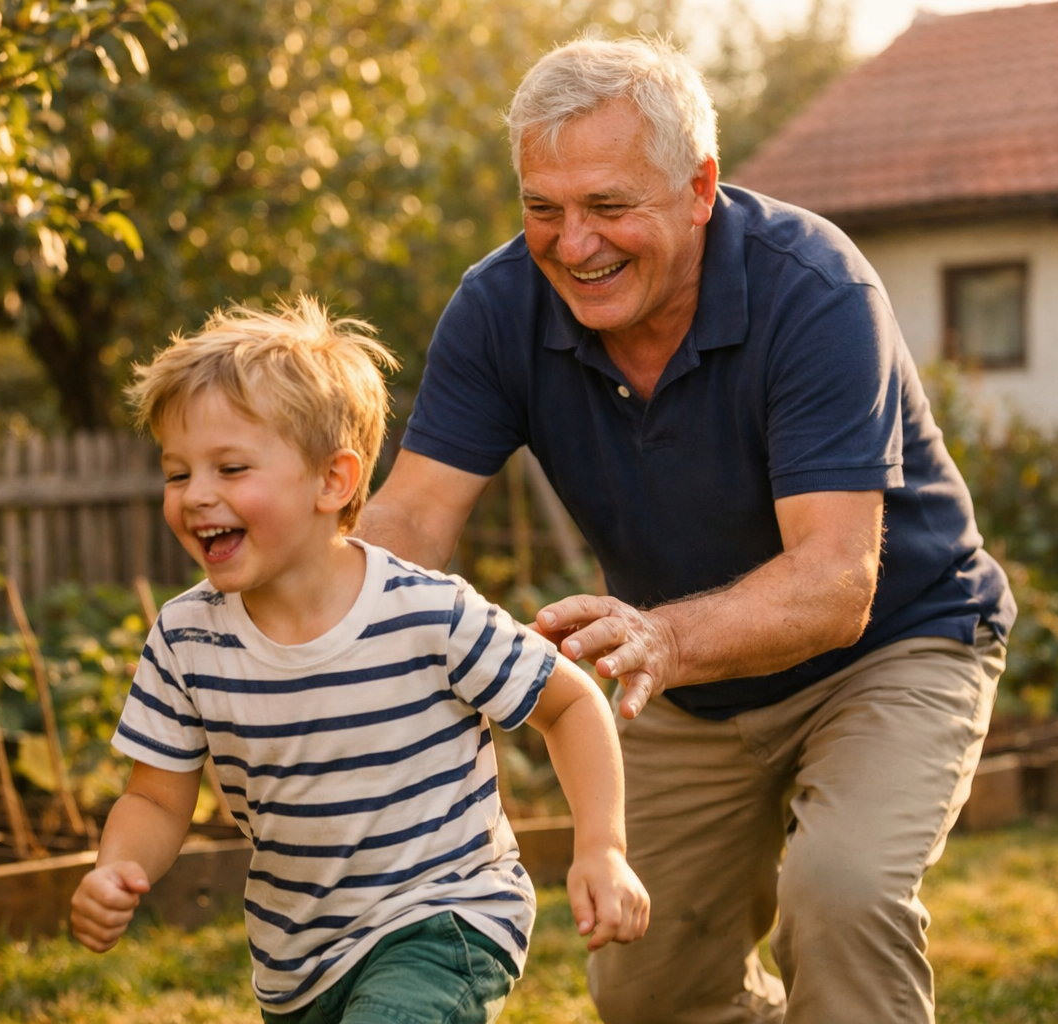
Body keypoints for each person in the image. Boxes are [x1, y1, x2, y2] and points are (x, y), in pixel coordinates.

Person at [353, 37, 1016, 1024]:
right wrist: (311, 636)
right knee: (651, 986)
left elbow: (838, 581)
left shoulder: (814, 290)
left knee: (841, 893)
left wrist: (658, 637)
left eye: (611, 208)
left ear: (699, 187)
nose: (573, 243)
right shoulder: (498, 309)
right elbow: (409, 518)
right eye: (544, 209)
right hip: (690, 687)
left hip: (893, 646)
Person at [69, 298, 649, 1023]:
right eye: (178, 473)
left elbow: (568, 702)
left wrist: (601, 846)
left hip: (445, 920)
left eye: (230, 467)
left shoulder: (425, 611)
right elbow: (155, 797)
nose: (197, 496)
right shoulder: (187, 639)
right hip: (298, 960)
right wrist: (118, 866)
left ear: (333, 482)